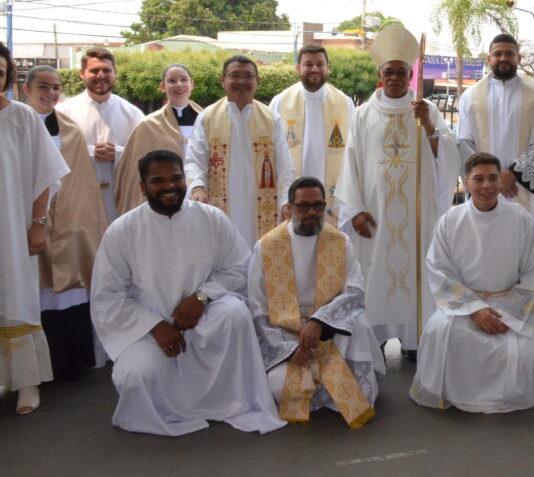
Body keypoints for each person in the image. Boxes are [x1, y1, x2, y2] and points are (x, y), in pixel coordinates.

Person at [90, 150, 285, 436]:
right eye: (158, 180)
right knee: (136, 377)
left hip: (204, 321)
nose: (169, 186)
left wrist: (202, 298)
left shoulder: (211, 218)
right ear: (143, 187)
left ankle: (230, 402)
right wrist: (155, 326)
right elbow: (108, 297)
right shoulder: (122, 231)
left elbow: (240, 268)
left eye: (176, 178)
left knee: (235, 314)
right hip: (147, 329)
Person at [335, 24, 459, 361]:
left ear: (410, 75)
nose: (394, 78)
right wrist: (356, 210)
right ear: (379, 74)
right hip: (373, 215)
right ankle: (373, 338)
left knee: (416, 271)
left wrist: (430, 127)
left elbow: (448, 157)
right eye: (388, 72)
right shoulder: (361, 115)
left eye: (401, 73)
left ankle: (414, 340)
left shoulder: (426, 111)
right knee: (373, 272)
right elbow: (351, 164)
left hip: (416, 217)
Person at [410, 153, 534, 413]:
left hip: (509, 305)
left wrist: (510, 314)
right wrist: (474, 309)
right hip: (465, 304)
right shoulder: (450, 221)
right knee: (442, 332)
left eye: (493, 178)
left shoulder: (520, 219)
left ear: (501, 182)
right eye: (479, 179)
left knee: (516, 348)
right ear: (466, 183)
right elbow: (439, 269)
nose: (487, 186)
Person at [249, 176, 384, 426]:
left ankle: (331, 386)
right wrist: (290, 351)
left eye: (318, 205)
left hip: (330, 329)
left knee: (361, 327)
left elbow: (355, 291)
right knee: (279, 387)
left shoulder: (339, 241)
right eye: (303, 206)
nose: (311, 212)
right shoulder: (266, 246)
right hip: (285, 334)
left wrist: (319, 322)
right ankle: (324, 383)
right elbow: (257, 308)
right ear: (289, 208)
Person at [22, 65, 108, 381]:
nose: (51, 93)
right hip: (25, 220)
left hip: (69, 223)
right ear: (26, 89)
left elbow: (81, 183)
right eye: (44, 87)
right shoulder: (18, 123)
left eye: (57, 87)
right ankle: (34, 371)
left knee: (70, 297)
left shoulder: (70, 130)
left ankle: (71, 364)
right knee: (33, 294)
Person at [0, 45, 70, 415]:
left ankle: (26, 383)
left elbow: (45, 175)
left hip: (12, 229)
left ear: (8, 78)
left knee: (16, 297)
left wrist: (38, 224)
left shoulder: (22, 118)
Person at [185, 55, 294, 249]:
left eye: (248, 76)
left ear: (257, 81)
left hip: (262, 210)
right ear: (223, 80)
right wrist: (198, 187)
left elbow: (285, 167)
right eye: (235, 75)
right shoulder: (207, 117)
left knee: (260, 259)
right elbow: (194, 160)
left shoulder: (271, 118)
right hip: (220, 205)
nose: (242, 82)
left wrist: (286, 200)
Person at [457, 34, 534, 222]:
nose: (503, 58)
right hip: (484, 187)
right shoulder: (470, 96)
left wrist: (512, 174)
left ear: (518, 58)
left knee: (521, 243)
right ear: (489, 59)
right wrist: (491, 179)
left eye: (509, 54)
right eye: (498, 54)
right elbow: (463, 143)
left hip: (520, 186)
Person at [270, 43, 355, 227]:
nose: (314, 69)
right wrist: (284, 198)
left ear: (328, 68)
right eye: (308, 64)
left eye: (320, 64)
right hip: (293, 194)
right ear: (298, 68)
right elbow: (271, 152)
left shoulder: (344, 103)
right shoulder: (280, 102)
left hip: (333, 197)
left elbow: (354, 153)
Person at [57, 47, 144, 223]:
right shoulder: (62, 113)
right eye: (94, 70)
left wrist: (118, 154)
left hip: (119, 199)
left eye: (106, 70)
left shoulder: (133, 114)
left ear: (115, 73)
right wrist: (90, 153)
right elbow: (54, 154)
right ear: (82, 73)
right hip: (78, 200)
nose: (101, 76)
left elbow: (145, 153)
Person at [115, 63, 202, 214]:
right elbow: (134, 169)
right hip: (166, 192)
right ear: (162, 86)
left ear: (192, 84)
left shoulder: (206, 120)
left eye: (184, 80)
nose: (179, 85)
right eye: (172, 81)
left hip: (199, 191)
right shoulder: (149, 125)